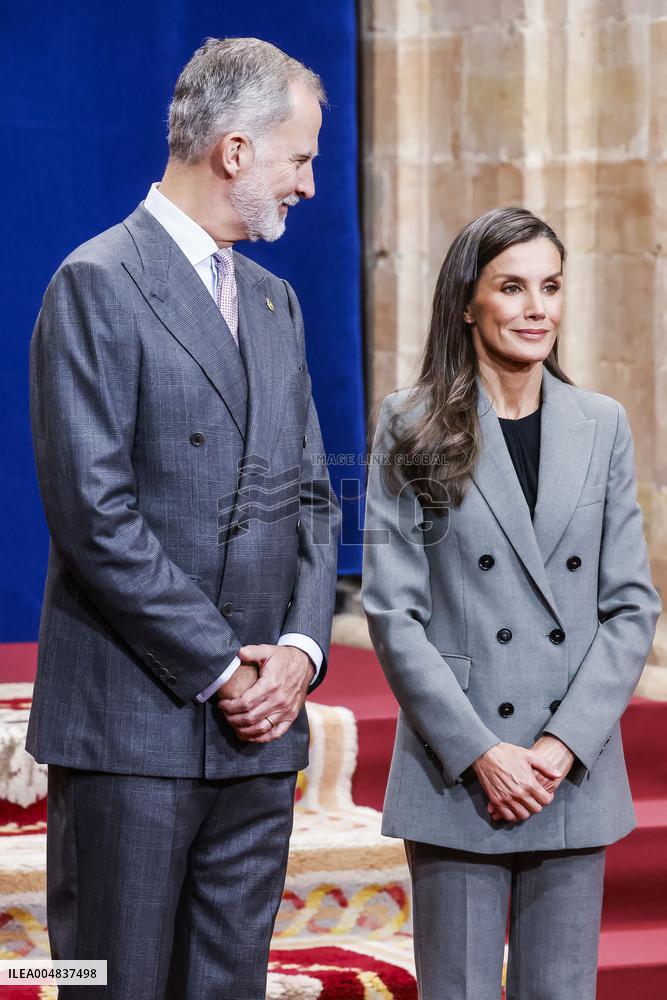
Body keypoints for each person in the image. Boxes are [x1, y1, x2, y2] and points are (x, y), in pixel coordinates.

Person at [27, 37, 340, 1000]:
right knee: (105, 985)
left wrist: (295, 649)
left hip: (259, 736)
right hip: (136, 729)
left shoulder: (278, 303)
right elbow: (96, 517)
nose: (311, 185)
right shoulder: (96, 281)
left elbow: (318, 500)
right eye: (301, 156)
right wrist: (220, 668)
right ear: (236, 150)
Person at [362, 206, 661, 1000]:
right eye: (512, 287)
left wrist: (559, 749)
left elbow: (630, 606)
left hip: (570, 772)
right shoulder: (411, 424)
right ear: (468, 302)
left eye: (551, 287)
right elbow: (394, 614)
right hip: (460, 771)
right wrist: (484, 755)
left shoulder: (600, 425)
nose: (537, 308)